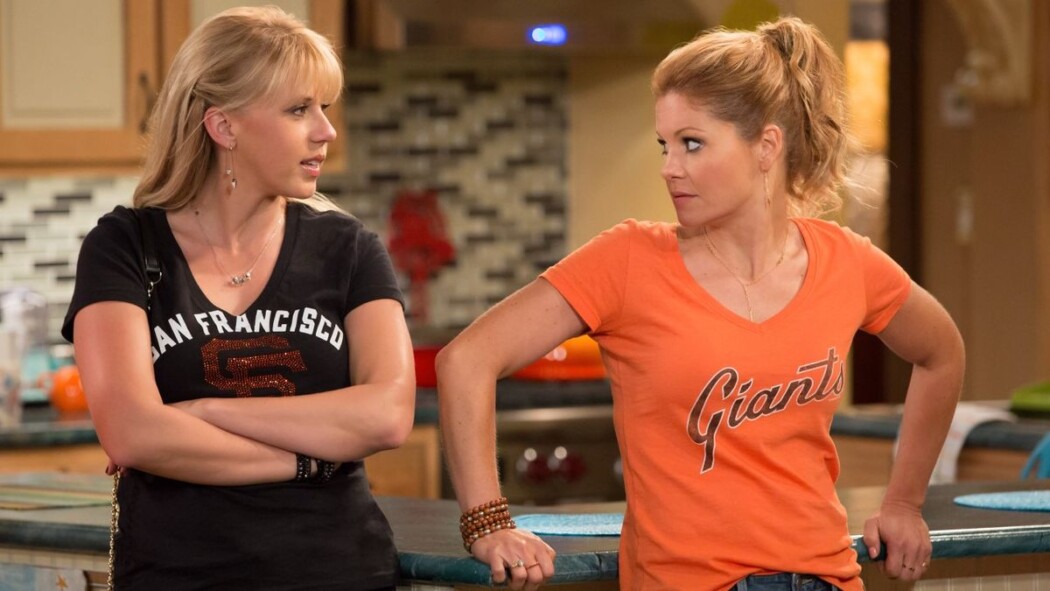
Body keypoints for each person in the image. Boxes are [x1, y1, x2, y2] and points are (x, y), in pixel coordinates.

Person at [437, 16, 964, 591]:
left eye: (692, 144)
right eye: (665, 145)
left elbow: (942, 354)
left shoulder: (847, 262)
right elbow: (466, 359)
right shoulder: (628, 260)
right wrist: (487, 523)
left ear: (766, 147)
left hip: (823, 579)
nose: (670, 167)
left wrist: (904, 502)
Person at [61, 6, 414, 590]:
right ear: (224, 127)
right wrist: (310, 460)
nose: (326, 131)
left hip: (339, 572)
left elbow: (388, 415)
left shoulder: (349, 247)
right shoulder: (123, 245)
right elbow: (132, 433)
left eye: (325, 107)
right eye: (299, 109)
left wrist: (205, 411)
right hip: (177, 577)